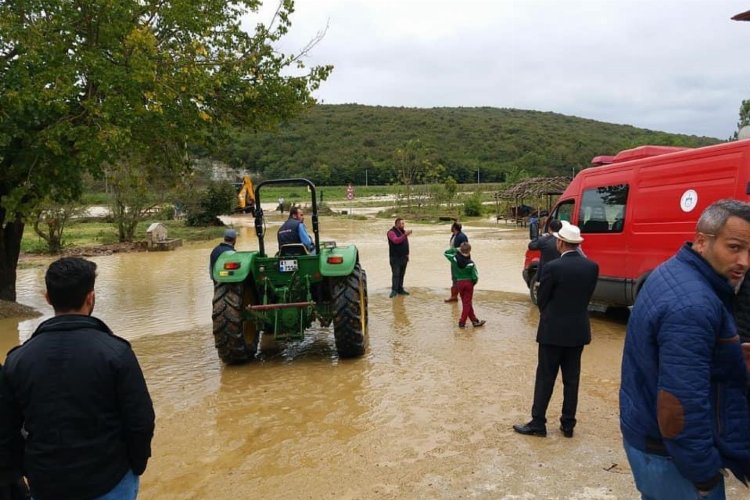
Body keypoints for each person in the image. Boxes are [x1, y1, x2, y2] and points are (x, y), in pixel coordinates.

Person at [620, 199, 750, 500]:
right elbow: (679, 407)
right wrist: (704, 476)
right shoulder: (693, 305)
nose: (744, 261)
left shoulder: (672, 271)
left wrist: (731, 360)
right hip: (671, 457)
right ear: (702, 241)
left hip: (646, 436)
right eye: (734, 247)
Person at [0, 257, 155, 500]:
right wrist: (135, 465)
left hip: (46, 483)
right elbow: (141, 422)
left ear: (48, 298)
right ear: (90, 297)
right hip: (111, 480)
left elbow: (7, 432)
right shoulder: (117, 353)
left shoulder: (17, 360)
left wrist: (29, 471)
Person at [513, 222, 598, 439]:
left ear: (560, 242)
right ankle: (568, 425)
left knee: (545, 378)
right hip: (578, 331)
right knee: (572, 380)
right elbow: (587, 297)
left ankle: (538, 423)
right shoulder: (592, 267)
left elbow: (541, 300)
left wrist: (551, 315)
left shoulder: (552, 268)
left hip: (552, 332)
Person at [444, 242, 486, 328]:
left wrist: (456, 249)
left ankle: (474, 320)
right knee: (467, 303)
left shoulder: (454, 259)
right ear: (470, 250)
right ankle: (462, 322)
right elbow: (475, 277)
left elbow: (446, 253)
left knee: (466, 303)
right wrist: (472, 284)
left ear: (461, 249)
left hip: (459, 282)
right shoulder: (471, 263)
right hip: (468, 283)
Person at [527, 219, 563, 286]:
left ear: (549, 229)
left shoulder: (544, 240)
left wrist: (538, 237)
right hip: (562, 274)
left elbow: (531, 246)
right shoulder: (566, 241)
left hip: (546, 274)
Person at [387, 217, 411, 298]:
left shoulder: (402, 232)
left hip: (404, 257)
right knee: (396, 274)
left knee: (401, 274)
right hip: (395, 258)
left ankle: (400, 289)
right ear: (397, 224)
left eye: (404, 223)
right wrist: (405, 235)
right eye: (402, 223)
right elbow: (396, 241)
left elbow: (405, 244)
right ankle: (394, 290)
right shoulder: (391, 232)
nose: (403, 225)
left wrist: (407, 254)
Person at [444, 222, 469, 303]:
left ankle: (454, 296)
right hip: (454, 259)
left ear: (454, 227)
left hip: (459, 260)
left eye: (452, 226)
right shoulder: (455, 235)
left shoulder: (462, 236)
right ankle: (455, 296)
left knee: (457, 278)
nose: (451, 227)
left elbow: (465, 248)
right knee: (455, 277)